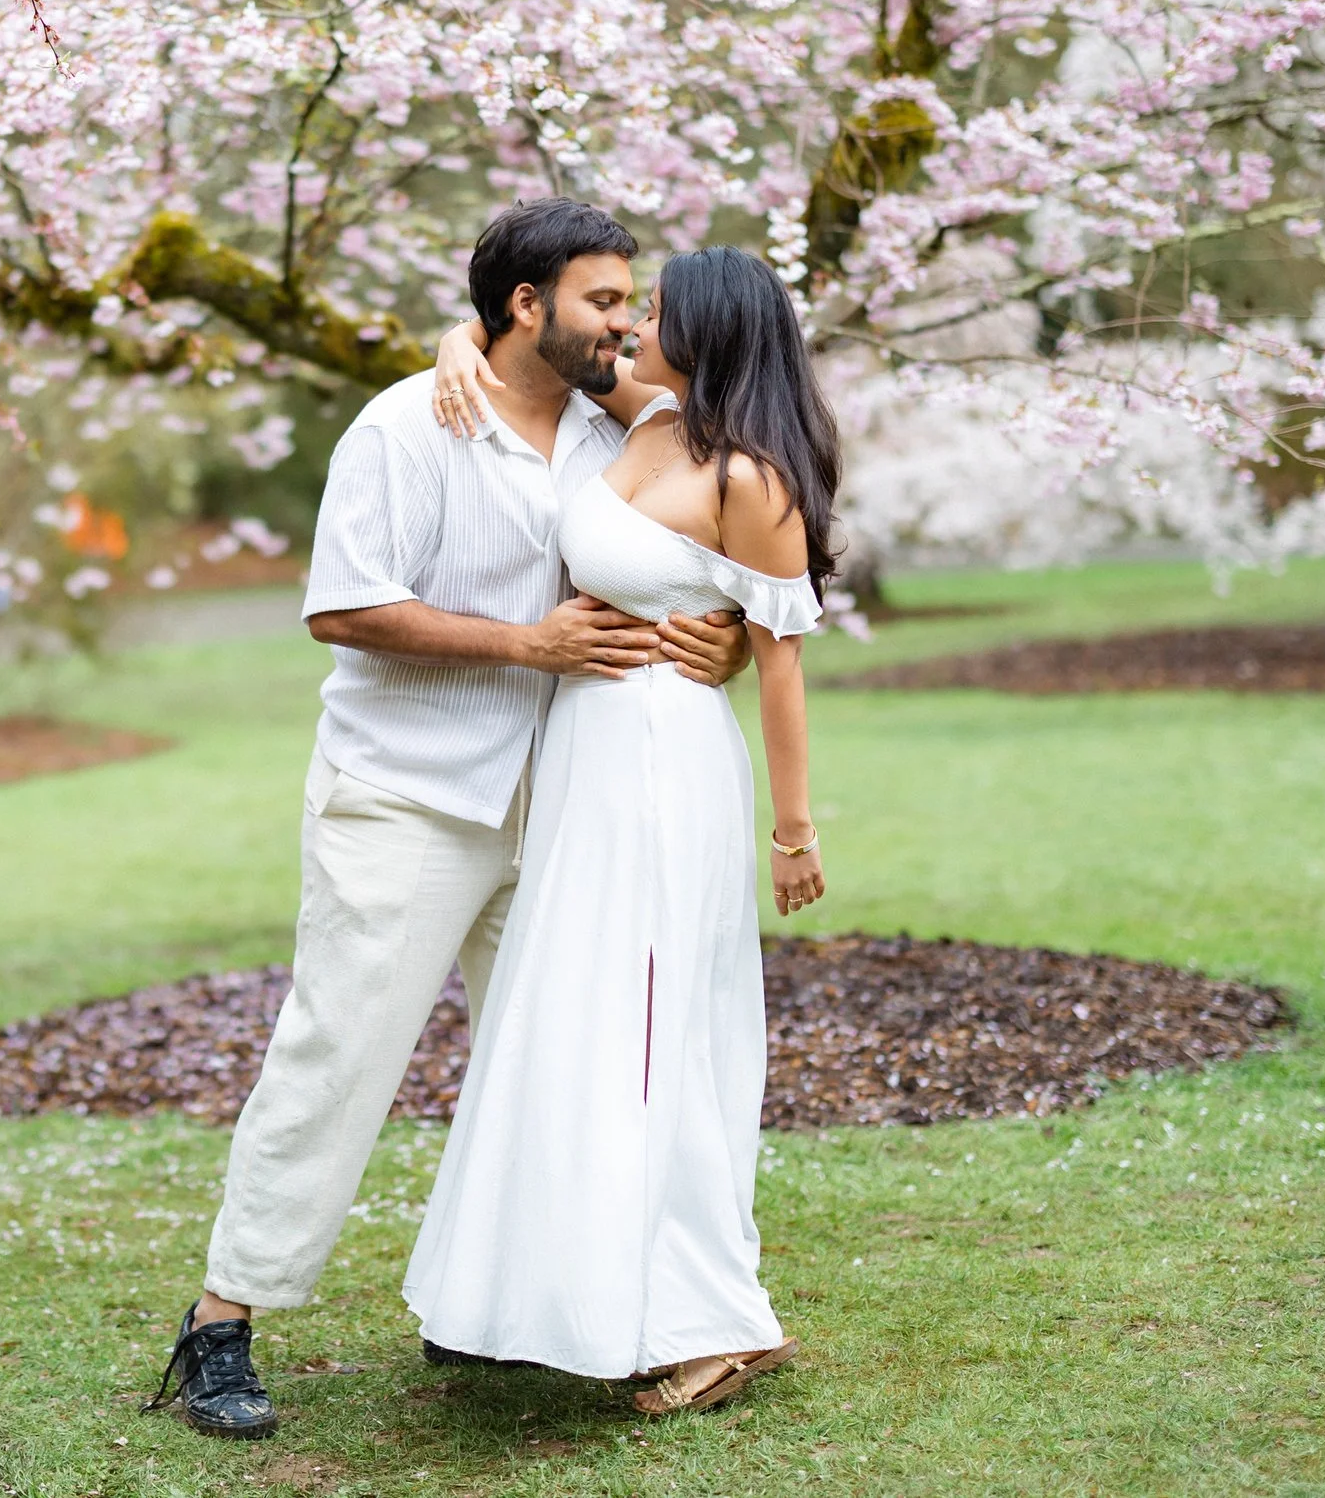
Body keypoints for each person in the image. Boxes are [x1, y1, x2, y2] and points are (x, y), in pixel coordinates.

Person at [145, 200, 753, 1440]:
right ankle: (219, 1323)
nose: (626, 321)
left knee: (559, 1056)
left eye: (631, 299)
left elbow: (734, 522)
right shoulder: (405, 424)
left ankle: (500, 1305)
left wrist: (729, 634)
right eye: (599, 299)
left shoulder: (618, 424)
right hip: (409, 799)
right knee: (337, 1055)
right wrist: (527, 642)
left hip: (566, 805)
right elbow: (343, 606)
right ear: (523, 307)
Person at [401, 242, 837, 1414]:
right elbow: (517, 355)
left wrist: (794, 835)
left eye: (654, 310)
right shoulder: (642, 422)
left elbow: (785, 665)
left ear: (707, 329)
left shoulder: (754, 477)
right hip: (581, 759)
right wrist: (456, 338)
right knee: (578, 1011)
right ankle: (568, 1294)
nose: (632, 324)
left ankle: (714, 1317)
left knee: (656, 1023)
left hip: (666, 763)